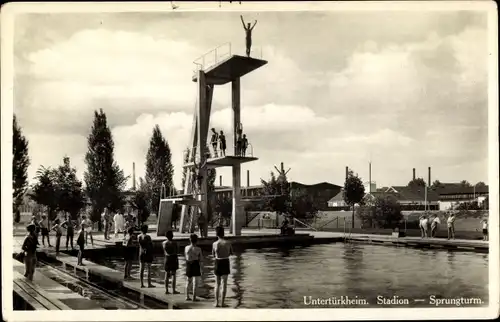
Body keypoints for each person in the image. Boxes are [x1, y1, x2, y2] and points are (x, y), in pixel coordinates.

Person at [212, 226, 233, 307]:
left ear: (216, 234)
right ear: (223, 233)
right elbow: (231, 253)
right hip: (225, 261)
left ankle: (216, 302)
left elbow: (213, 254)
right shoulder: (228, 243)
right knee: (224, 283)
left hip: (218, 261)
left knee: (217, 283)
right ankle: (222, 303)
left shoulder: (214, 244)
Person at [185, 233, 203, 301]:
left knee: (188, 281)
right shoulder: (198, 249)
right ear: (197, 240)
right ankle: (194, 297)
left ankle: (187, 296)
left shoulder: (186, 247)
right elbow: (201, 259)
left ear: (190, 240)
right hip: (195, 264)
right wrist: (201, 268)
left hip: (189, 264)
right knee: (195, 282)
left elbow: (186, 257)